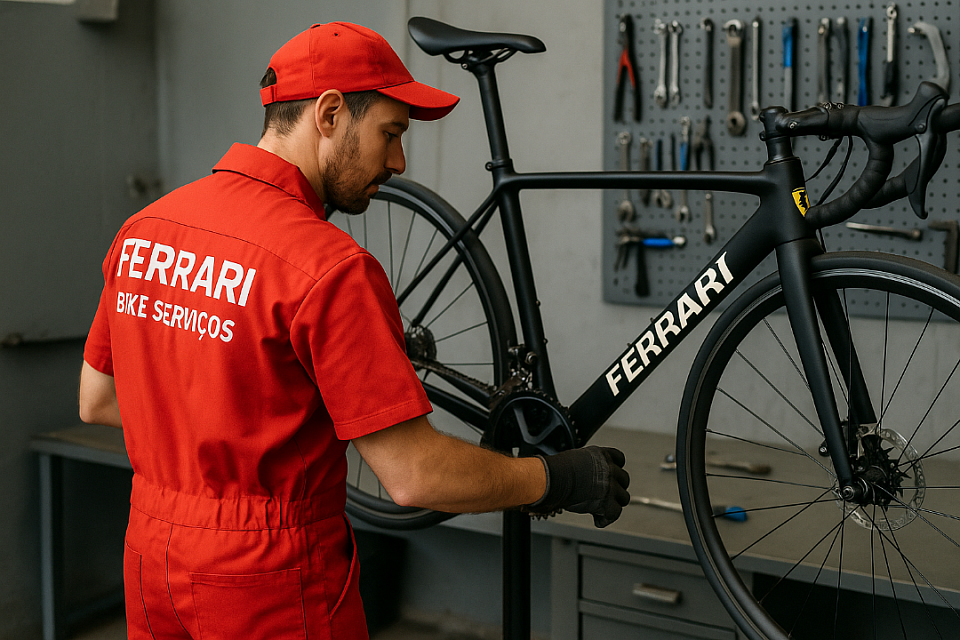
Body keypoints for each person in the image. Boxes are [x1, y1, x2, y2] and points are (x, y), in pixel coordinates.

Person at [78, 21, 629, 640]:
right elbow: (413, 475)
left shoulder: (146, 229)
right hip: (269, 578)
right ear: (330, 113)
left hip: (152, 560)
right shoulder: (329, 267)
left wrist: (217, 433)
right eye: (390, 133)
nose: (398, 162)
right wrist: (559, 479)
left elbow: (97, 400)